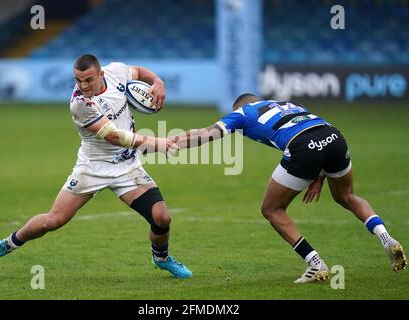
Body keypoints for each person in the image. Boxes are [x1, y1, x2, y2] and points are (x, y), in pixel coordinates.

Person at [0, 54, 192, 279]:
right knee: (54, 221)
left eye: (88, 80)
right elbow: (113, 137)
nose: (82, 86)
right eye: (77, 80)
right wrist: (153, 142)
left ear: (101, 74)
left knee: (162, 218)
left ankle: (161, 258)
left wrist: (158, 82)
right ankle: (9, 243)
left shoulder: (116, 72)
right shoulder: (80, 104)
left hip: (127, 167)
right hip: (92, 168)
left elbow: (138, 71)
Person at [170, 93, 406, 283]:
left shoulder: (241, 113)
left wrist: (172, 142)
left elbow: (207, 134)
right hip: (333, 136)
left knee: (272, 209)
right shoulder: (284, 102)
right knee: (347, 195)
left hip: (303, 147)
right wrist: (319, 176)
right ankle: (386, 237)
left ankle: (315, 264)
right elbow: (314, 132)